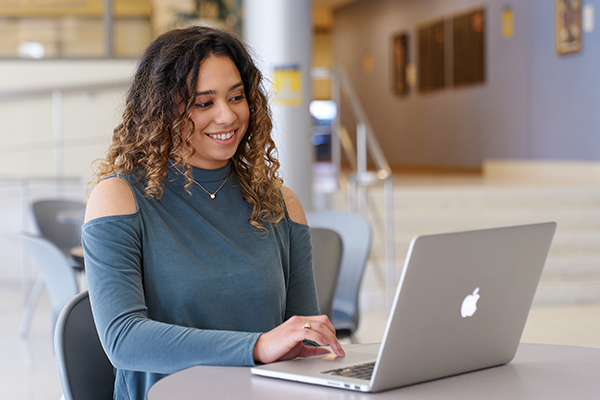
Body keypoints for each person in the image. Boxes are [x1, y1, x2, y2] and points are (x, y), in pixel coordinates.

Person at [82, 26, 344, 400]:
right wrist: (256, 347)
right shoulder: (120, 198)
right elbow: (124, 340)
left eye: (237, 97)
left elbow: (302, 336)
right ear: (161, 109)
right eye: (203, 103)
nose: (227, 116)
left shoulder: (281, 203)